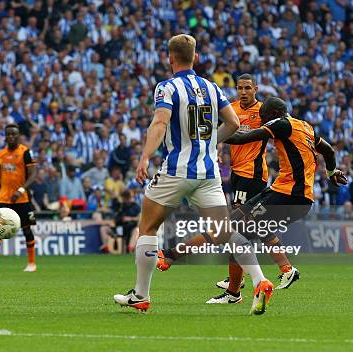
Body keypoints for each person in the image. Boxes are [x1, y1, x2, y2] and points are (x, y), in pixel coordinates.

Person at [113, 34, 273, 315]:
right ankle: (259, 280)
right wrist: (211, 143)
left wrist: (145, 156)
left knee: (148, 227)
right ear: (196, 57)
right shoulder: (211, 87)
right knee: (224, 231)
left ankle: (141, 294)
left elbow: (160, 123)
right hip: (208, 172)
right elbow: (233, 123)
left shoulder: (167, 87)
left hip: (176, 169)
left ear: (170, 58)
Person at [158, 97, 348, 305]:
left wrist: (208, 135)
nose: (263, 123)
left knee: (229, 230)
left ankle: (171, 255)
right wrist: (331, 172)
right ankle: (252, 283)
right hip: (294, 198)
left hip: (286, 196)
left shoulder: (281, 123)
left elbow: (243, 137)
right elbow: (328, 149)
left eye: (264, 119)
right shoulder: (305, 126)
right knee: (237, 232)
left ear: (273, 114)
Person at [210, 74, 299, 305]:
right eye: (239, 88)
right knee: (252, 227)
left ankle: (236, 287)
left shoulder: (263, 112)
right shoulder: (231, 108)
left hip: (254, 174)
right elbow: (224, 130)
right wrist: (217, 148)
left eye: (247, 88)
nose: (243, 92)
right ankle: (282, 269)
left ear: (255, 89)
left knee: (239, 228)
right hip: (237, 173)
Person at [0, 124, 38, 273]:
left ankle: (32, 263)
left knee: (26, 230)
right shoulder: (0, 155)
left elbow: (33, 175)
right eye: (8, 134)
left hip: (22, 198)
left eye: (14, 134)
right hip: (4, 198)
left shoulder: (26, 152)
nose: (11, 137)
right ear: (5, 137)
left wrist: (21, 189)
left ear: (18, 136)